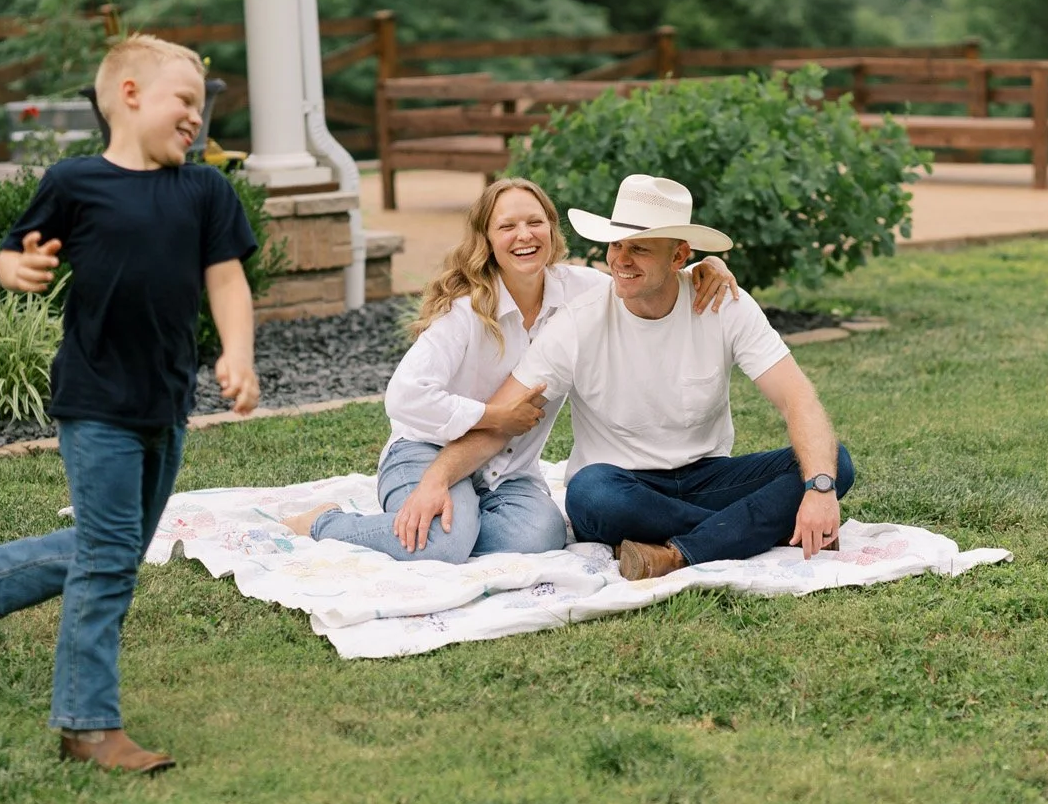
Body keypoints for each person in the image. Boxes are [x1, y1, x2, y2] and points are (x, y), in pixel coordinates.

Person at [0, 34, 262, 776]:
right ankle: (87, 724)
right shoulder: (77, 181)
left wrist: (237, 352)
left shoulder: (205, 191)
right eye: (184, 100)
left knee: (113, 550)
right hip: (95, 399)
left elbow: (226, 281)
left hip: (166, 399)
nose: (196, 116)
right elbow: (11, 247)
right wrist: (16, 264)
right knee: (112, 559)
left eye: (201, 105)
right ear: (128, 94)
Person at [408, 174, 854, 582]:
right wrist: (437, 476)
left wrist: (818, 489)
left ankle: (677, 554)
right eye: (615, 245)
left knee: (833, 464)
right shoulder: (577, 321)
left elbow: (798, 399)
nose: (621, 259)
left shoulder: (724, 304)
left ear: (679, 255)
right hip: (622, 488)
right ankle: (753, 527)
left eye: (640, 248)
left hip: (708, 476)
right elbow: (506, 416)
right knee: (590, 492)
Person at [285, 177, 739, 561]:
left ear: (551, 230)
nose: (524, 235)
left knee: (539, 539)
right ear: (487, 239)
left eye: (534, 222)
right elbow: (405, 396)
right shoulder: (463, 312)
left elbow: (643, 276)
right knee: (444, 544)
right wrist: (493, 417)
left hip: (510, 472)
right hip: (426, 453)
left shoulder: (584, 291)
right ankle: (326, 522)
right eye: (507, 226)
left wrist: (706, 265)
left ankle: (459, 527)